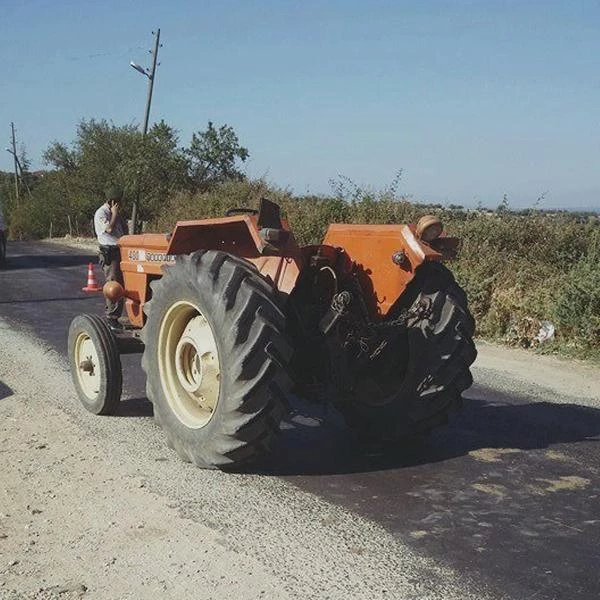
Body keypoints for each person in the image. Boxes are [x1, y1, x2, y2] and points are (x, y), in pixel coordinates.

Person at [94, 186, 127, 330]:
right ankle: (111, 318)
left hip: (119, 250)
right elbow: (109, 229)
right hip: (109, 252)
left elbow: (123, 231)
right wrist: (114, 214)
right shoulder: (102, 213)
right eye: (118, 202)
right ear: (112, 201)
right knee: (114, 285)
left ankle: (117, 316)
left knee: (123, 285)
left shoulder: (117, 214)